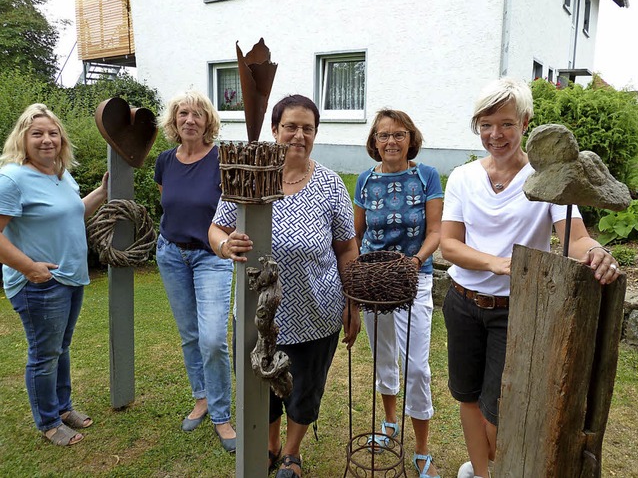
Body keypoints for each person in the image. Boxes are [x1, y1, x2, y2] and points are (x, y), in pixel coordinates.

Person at [440, 78, 622, 478]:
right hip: (462, 302)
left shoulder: (547, 180)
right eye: (485, 124)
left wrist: (596, 252)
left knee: (501, 407)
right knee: (467, 397)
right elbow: (449, 246)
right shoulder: (463, 177)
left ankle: (501, 467)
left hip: (517, 311)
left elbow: (574, 238)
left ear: (525, 122)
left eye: (505, 123)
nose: (495, 134)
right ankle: (482, 473)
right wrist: (498, 263)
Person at [209, 94, 360, 478]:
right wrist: (226, 245)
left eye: (307, 128)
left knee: (305, 387)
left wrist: (352, 303)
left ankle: (291, 452)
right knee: (261, 384)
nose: (299, 135)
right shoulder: (251, 173)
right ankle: (269, 442)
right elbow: (216, 228)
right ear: (274, 130)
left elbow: (346, 249)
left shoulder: (329, 185)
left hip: (316, 311)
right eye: (290, 126)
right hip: (257, 311)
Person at [0, 103, 108, 446]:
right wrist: (28, 267)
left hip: (69, 277)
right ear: (23, 139)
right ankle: (48, 422)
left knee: (60, 348)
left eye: (53, 133)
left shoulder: (60, 174)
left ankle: (62, 408)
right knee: (44, 354)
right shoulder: (13, 178)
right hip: (39, 284)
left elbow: (72, 214)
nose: (47, 140)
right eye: (37, 134)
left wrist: (102, 194)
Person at [354, 109, 443, 478]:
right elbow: (356, 235)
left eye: (399, 134)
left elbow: (436, 231)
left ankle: (422, 448)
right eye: (384, 135)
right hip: (375, 283)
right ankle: (390, 425)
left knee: (417, 368)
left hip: (414, 279)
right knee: (384, 358)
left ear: (411, 138)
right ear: (374, 141)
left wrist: (415, 261)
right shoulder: (363, 180)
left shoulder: (427, 176)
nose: (391, 141)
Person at [154, 90, 236, 452]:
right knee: (189, 334)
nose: (190, 120)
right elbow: (168, 202)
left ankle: (221, 414)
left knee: (213, 338)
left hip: (212, 257)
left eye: (197, 115)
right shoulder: (165, 161)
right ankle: (201, 398)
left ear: (208, 123)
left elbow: (232, 209)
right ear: (174, 121)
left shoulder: (222, 160)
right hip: (171, 253)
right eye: (183, 114)